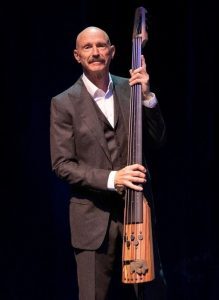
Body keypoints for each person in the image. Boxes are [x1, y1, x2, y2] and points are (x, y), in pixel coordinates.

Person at [50, 26, 166, 300]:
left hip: (137, 214)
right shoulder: (64, 103)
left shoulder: (132, 89)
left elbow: (158, 139)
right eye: (87, 48)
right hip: (91, 222)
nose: (95, 52)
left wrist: (148, 97)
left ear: (112, 52)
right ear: (77, 56)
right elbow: (62, 164)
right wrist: (114, 178)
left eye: (101, 46)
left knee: (150, 294)